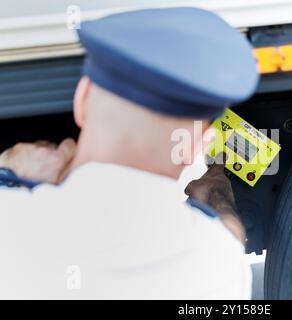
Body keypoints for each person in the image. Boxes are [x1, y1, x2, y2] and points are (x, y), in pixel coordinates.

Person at [0, 7, 259, 299]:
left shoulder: (11, 227)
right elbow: (228, 239)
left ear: (82, 101)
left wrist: (7, 169)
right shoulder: (218, 265)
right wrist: (217, 198)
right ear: (197, 146)